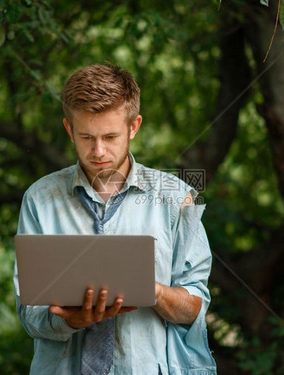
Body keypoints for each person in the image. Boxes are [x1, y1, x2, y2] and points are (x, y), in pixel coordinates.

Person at [14, 63, 216, 375]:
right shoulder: (40, 199)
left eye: (110, 136)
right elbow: (29, 313)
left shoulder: (176, 198)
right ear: (68, 129)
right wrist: (70, 320)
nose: (98, 151)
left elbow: (196, 309)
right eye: (86, 137)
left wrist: (153, 290)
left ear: (134, 126)